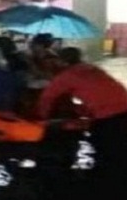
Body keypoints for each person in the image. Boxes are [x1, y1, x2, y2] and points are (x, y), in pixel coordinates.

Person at [37, 47, 127, 180]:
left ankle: (104, 179)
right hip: (123, 106)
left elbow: (47, 98)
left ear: (61, 61)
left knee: (104, 145)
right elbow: (97, 93)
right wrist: (82, 110)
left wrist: (41, 119)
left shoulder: (66, 76)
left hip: (108, 115)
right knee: (119, 144)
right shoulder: (91, 68)